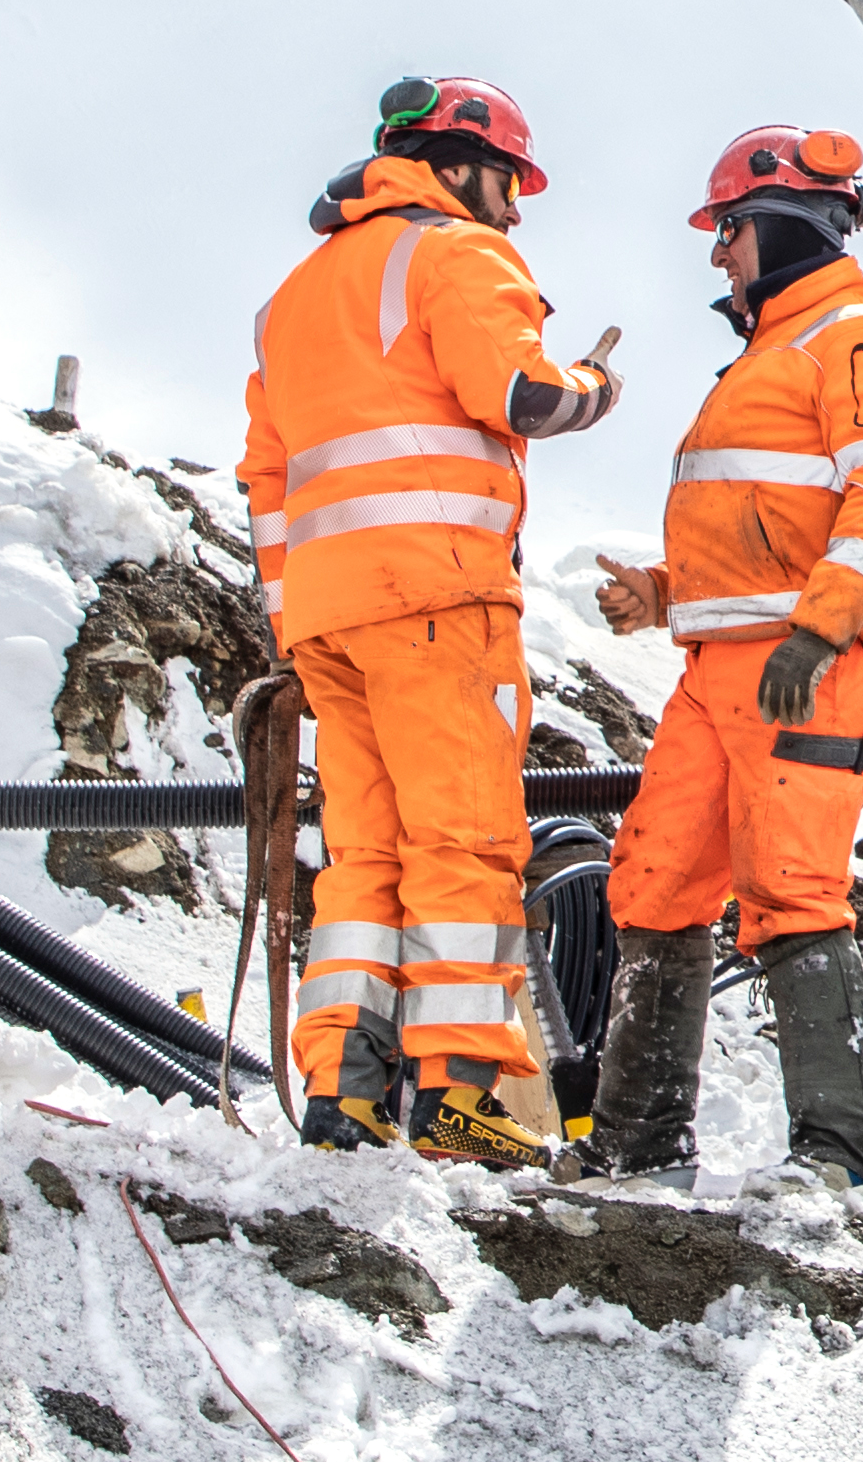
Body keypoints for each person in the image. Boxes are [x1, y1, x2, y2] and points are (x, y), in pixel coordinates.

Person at [241, 76, 614, 1154]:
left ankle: (344, 1093)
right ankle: (459, 1092)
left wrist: (293, 627)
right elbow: (520, 395)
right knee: (463, 840)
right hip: (438, 598)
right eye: (509, 180)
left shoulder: (296, 296)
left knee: (362, 855)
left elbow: (266, 478)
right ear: (459, 166)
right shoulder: (456, 253)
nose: (515, 208)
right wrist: (593, 381)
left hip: (326, 621)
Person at [583, 125, 863, 1191]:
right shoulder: (769, 356)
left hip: (811, 668)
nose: (717, 253)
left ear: (785, 224)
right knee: (652, 883)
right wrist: (659, 593)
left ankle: (837, 1157)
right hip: (721, 672)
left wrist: (822, 626)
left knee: (790, 891)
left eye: (728, 229)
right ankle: (637, 1144)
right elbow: (757, 530)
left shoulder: (859, 344)